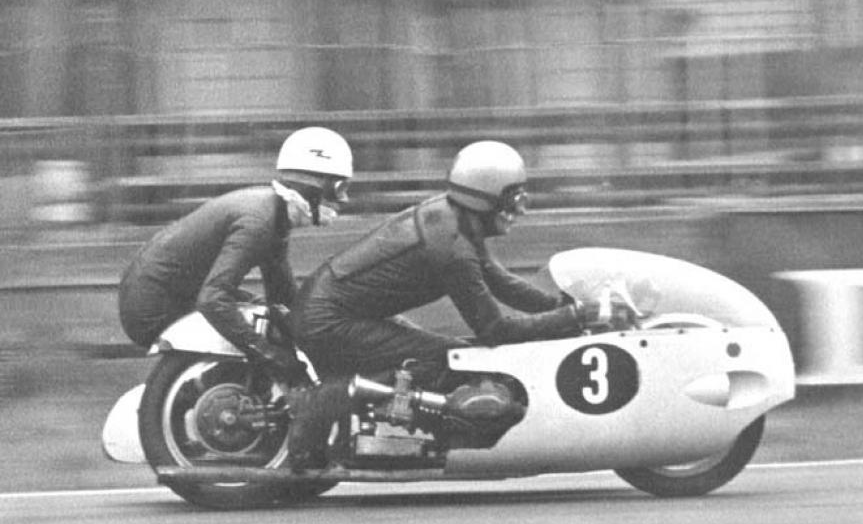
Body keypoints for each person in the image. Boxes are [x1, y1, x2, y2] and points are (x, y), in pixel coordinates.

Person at [286, 140, 616, 469]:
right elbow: (494, 330)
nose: (521, 210)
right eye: (514, 199)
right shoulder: (453, 248)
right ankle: (322, 403)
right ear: (486, 199)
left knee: (449, 351)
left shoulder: (454, 217)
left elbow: (501, 282)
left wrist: (560, 306)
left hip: (335, 311)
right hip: (328, 321)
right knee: (447, 359)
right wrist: (572, 316)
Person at [118, 126, 353, 384]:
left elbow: (283, 297)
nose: (343, 200)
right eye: (338, 187)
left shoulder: (274, 217)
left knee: (263, 317)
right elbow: (212, 298)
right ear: (311, 187)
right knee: (254, 329)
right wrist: (268, 354)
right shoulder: (259, 224)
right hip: (152, 309)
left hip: (165, 294)